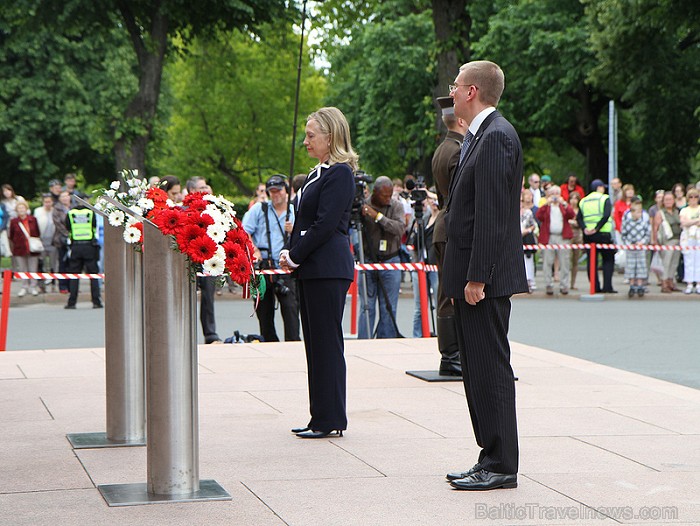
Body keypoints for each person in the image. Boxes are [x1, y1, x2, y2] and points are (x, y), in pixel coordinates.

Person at [443, 60, 527, 491]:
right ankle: (489, 458)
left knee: (490, 370)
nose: (451, 91)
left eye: (456, 85)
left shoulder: (495, 137)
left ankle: (500, 464)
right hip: (476, 277)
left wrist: (476, 277)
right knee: (477, 370)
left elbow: (492, 217)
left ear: (472, 91)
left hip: (484, 280)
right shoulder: (485, 136)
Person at [280, 106, 357, 439]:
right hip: (313, 268)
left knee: (326, 344)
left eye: (312, 136)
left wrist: (294, 255)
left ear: (331, 137)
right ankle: (320, 416)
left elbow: (326, 224)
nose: (306, 141)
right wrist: (292, 251)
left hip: (327, 267)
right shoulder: (319, 172)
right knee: (315, 344)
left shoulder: (339, 173)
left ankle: (330, 418)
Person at [431, 95, 467, 375]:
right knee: (450, 292)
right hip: (452, 226)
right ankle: (452, 357)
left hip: (443, 224)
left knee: (446, 290)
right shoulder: (457, 150)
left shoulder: (443, 148)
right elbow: (460, 196)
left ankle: (451, 356)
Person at [242, 174, 300, 342]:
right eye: (272, 192)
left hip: (286, 267)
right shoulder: (259, 209)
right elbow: (244, 232)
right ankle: (269, 343)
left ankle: (293, 344)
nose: (276, 195)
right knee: (263, 312)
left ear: (287, 191)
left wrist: (293, 231)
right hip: (263, 266)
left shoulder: (294, 210)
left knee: (291, 310)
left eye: (279, 191)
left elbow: (307, 234)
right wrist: (254, 250)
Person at [357, 176, 406, 339]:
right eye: (384, 195)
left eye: (390, 195)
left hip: (390, 261)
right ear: (375, 193)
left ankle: (386, 342)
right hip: (369, 261)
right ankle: (363, 343)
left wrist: (377, 217)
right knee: (367, 306)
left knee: (388, 307)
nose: (387, 198)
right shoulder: (364, 205)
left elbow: (399, 229)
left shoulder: (396, 206)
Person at [186, 176, 222, 343]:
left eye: (207, 186)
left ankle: (210, 333)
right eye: (202, 187)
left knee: (208, 295)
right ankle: (185, 332)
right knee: (185, 295)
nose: (206, 189)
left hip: (209, 256)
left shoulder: (216, 208)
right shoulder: (185, 209)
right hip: (190, 256)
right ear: (192, 191)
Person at [577, 179, 617, 293]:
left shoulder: (583, 201)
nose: (604, 189)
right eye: (602, 187)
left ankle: (594, 287)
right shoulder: (604, 198)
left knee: (591, 261)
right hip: (603, 234)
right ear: (599, 188)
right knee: (608, 260)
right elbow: (606, 215)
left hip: (589, 236)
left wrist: (585, 228)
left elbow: (579, 217)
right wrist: (597, 228)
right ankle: (607, 287)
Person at [536, 185, 575, 295]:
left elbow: (572, 215)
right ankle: (548, 284)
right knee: (547, 262)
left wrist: (564, 204)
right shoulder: (546, 206)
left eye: (556, 194)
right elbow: (538, 216)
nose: (554, 197)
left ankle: (564, 285)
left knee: (565, 262)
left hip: (563, 237)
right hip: (549, 237)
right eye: (552, 194)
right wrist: (546, 204)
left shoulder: (563, 206)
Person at [64, 203, 102, 308]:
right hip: (89, 246)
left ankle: (72, 302)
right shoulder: (90, 213)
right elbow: (95, 227)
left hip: (75, 247)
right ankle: (96, 302)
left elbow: (68, 228)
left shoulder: (70, 213)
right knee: (93, 275)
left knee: (74, 275)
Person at [8, 201, 41, 296]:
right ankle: (24, 287)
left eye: (23, 208)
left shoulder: (33, 219)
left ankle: (33, 286)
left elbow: (37, 232)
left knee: (33, 268)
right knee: (23, 269)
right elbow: (11, 235)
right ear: (17, 210)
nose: (21, 210)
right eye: (19, 208)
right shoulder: (14, 221)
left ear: (26, 209)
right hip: (19, 248)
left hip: (33, 248)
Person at [651, 191, 681, 293]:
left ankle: (671, 281)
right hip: (667, 241)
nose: (669, 201)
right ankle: (664, 283)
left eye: (670, 199)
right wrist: (654, 241)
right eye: (666, 200)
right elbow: (655, 228)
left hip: (678, 240)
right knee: (666, 262)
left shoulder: (676, 211)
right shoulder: (660, 213)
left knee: (674, 262)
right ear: (663, 201)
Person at [621, 198, 651, 297]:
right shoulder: (627, 222)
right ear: (632, 212)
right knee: (631, 266)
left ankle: (640, 285)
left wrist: (642, 242)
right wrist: (628, 243)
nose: (639, 214)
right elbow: (623, 234)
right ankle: (632, 286)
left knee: (641, 266)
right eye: (637, 212)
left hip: (641, 247)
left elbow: (647, 233)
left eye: (640, 211)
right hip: (630, 247)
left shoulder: (644, 221)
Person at [34, 194, 57, 292]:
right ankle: (41, 285)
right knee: (41, 264)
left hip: (53, 240)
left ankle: (53, 284)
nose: (47, 204)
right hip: (41, 240)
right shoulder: (38, 211)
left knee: (53, 264)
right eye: (45, 202)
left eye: (49, 202)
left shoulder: (55, 211)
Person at [679, 188, 700, 294]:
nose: (693, 199)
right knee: (688, 260)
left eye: (696, 197)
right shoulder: (684, 210)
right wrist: (696, 221)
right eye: (691, 197)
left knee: (698, 260)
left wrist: (690, 222)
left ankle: (698, 283)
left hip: (698, 238)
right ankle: (689, 283)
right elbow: (683, 223)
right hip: (688, 238)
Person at [52, 191, 72, 293]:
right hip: (61, 239)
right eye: (62, 196)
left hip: (74, 239)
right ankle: (62, 286)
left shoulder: (74, 208)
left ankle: (72, 286)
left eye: (66, 196)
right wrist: (67, 233)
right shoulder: (56, 209)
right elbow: (58, 224)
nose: (64, 198)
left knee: (72, 263)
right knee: (62, 263)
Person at [520, 191, 538, 293]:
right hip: (516, 238)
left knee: (528, 260)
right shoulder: (513, 211)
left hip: (527, 238)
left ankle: (530, 281)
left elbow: (533, 225)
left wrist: (527, 231)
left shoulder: (528, 212)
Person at [567, 191, 583, 290]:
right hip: (568, 236)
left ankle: (573, 283)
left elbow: (580, 223)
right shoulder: (567, 209)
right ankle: (565, 282)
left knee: (575, 261)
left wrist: (574, 222)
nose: (574, 201)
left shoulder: (580, 211)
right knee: (566, 259)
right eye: (572, 198)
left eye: (576, 198)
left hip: (578, 236)